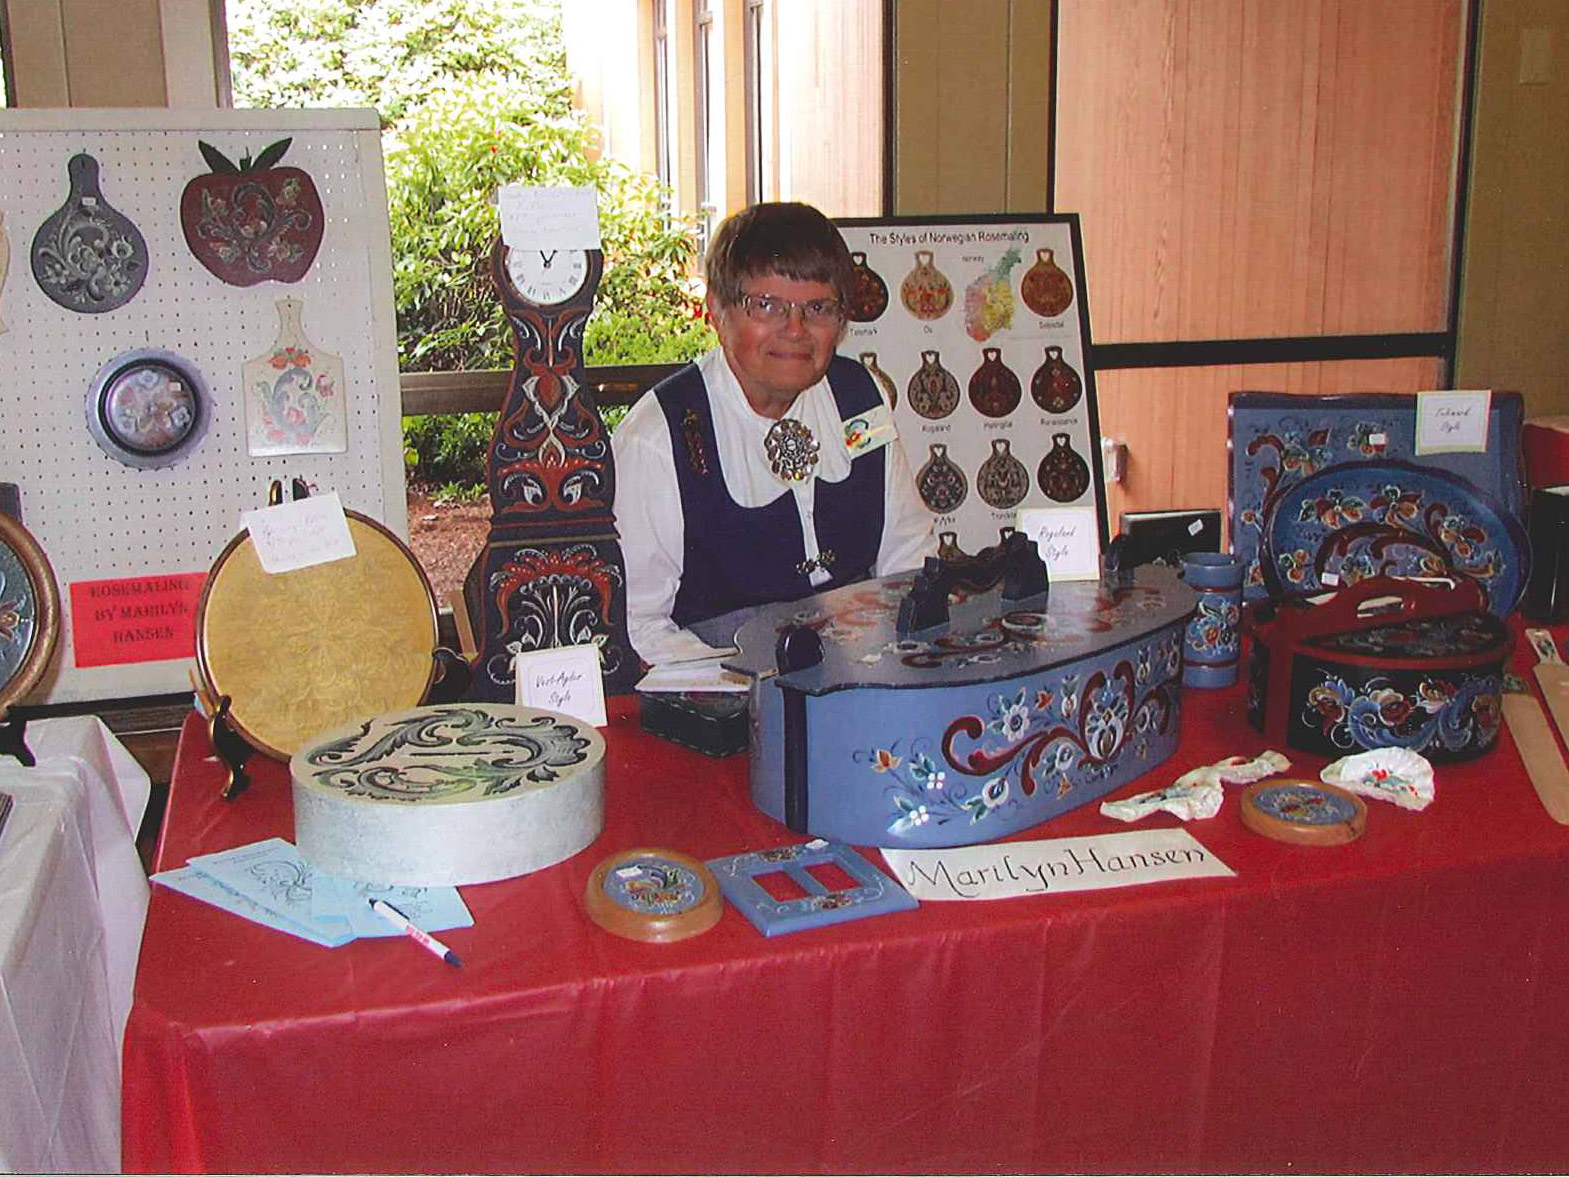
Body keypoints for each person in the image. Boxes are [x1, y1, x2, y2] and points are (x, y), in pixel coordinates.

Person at [612, 201, 933, 666]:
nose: (796, 330)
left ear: (841, 322)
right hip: (725, 696)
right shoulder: (658, 437)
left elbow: (909, 557)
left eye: (818, 308)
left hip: (862, 675)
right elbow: (638, 625)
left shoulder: (860, 396)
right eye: (767, 306)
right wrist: (750, 687)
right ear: (717, 312)